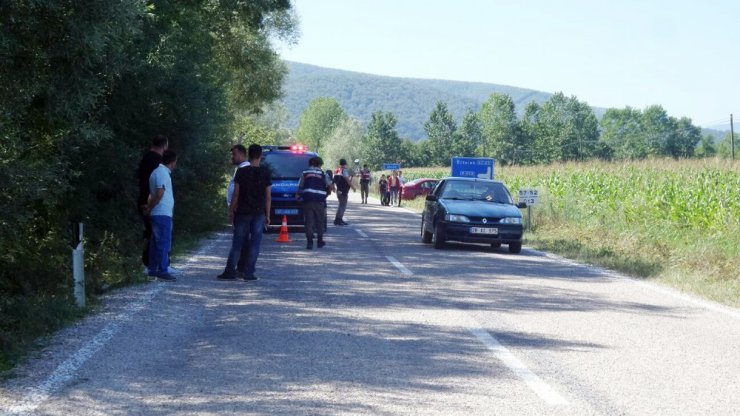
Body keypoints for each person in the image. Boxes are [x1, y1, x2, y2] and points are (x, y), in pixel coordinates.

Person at [218, 144, 272, 281]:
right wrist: (268, 215)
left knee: (237, 243)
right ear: (260, 156)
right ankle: (249, 273)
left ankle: (230, 272)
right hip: (259, 212)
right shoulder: (265, 172)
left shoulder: (241, 172)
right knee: (254, 243)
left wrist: (231, 211)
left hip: (243, 212)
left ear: (249, 154)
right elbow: (268, 197)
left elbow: (236, 194)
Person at [144, 150, 178, 281]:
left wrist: (149, 206)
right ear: (172, 161)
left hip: (158, 213)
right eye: (175, 162)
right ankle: (163, 270)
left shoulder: (156, 172)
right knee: (163, 242)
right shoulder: (162, 173)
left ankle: (153, 269)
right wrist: (151, 207)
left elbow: (150, 194)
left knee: (155, 242)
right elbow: (159, 193)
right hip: (162, 212)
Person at [137, 134, 168, 268]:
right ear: (165, 146)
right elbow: (157, 184)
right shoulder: (158, 161)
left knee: (150, 232)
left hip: (143, 198)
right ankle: (154, 264)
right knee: (157, 234)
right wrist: (151, 203)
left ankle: (150, 264)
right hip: (152, 202)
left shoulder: (145, 158)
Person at [297, 157, 333, 249]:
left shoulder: (305, 173)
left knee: (309, 221)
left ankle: (309, 243)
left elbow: (300, 185)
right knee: (320, 221)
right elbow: (330, 185)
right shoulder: (323, 174)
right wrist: (327, 193)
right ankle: (320, 242)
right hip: (319, 201)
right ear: (319, 164)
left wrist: (297, 195)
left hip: (307, 200)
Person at [332, 158, 355, 225]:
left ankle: (339, 219)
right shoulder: (344, 171)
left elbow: (333, 180)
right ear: (345, 164)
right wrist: (353, 188)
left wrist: (333, 188)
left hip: (339, 190)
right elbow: (347, 181)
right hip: (343, 191)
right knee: (342, 206)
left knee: (341, 205)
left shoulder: (337, 171)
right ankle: (338, 220)